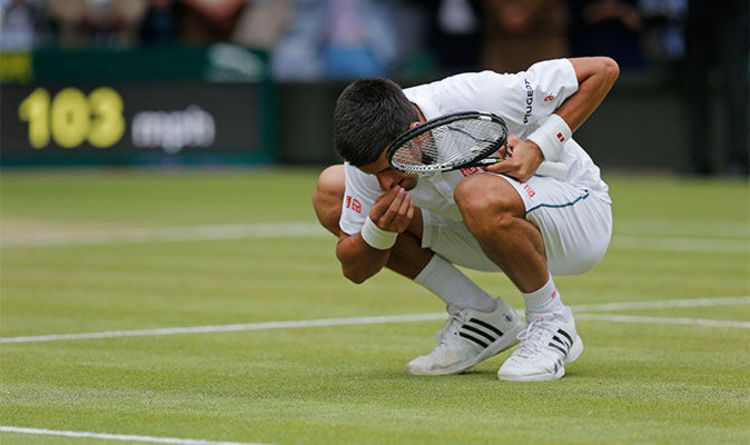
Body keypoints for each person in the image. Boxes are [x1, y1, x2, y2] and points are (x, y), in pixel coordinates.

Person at [312, 56, 618, 381]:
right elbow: (354, 269)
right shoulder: (369, 155)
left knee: (476, 194)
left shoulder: (480, 94)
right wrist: (378, 231)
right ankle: (481, 317)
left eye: (389, 168)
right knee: (332, 190)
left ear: (414, 134)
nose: (385, 183)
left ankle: (551, 320)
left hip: (579, 217)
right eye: (374, 174)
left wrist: (539, 146)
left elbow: (602, 69)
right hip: (481, 230)